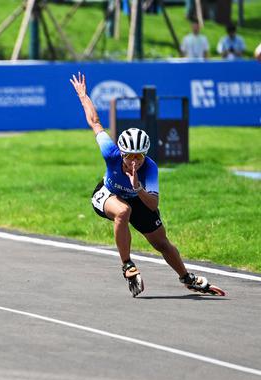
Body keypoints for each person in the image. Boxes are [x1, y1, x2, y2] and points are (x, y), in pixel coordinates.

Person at [68, 72, 224, 297]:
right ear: (121, 153)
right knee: (123, 211)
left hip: (138, 197)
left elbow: (152, 205)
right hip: (108, 194)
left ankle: (187, 278)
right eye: (129, 156)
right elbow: (95, 122)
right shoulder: (110, 152)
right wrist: (83, 96)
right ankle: (127, 265)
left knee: (161, 242)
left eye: (139, 156)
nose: (134, 161)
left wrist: (138, 187)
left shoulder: (150, 168)